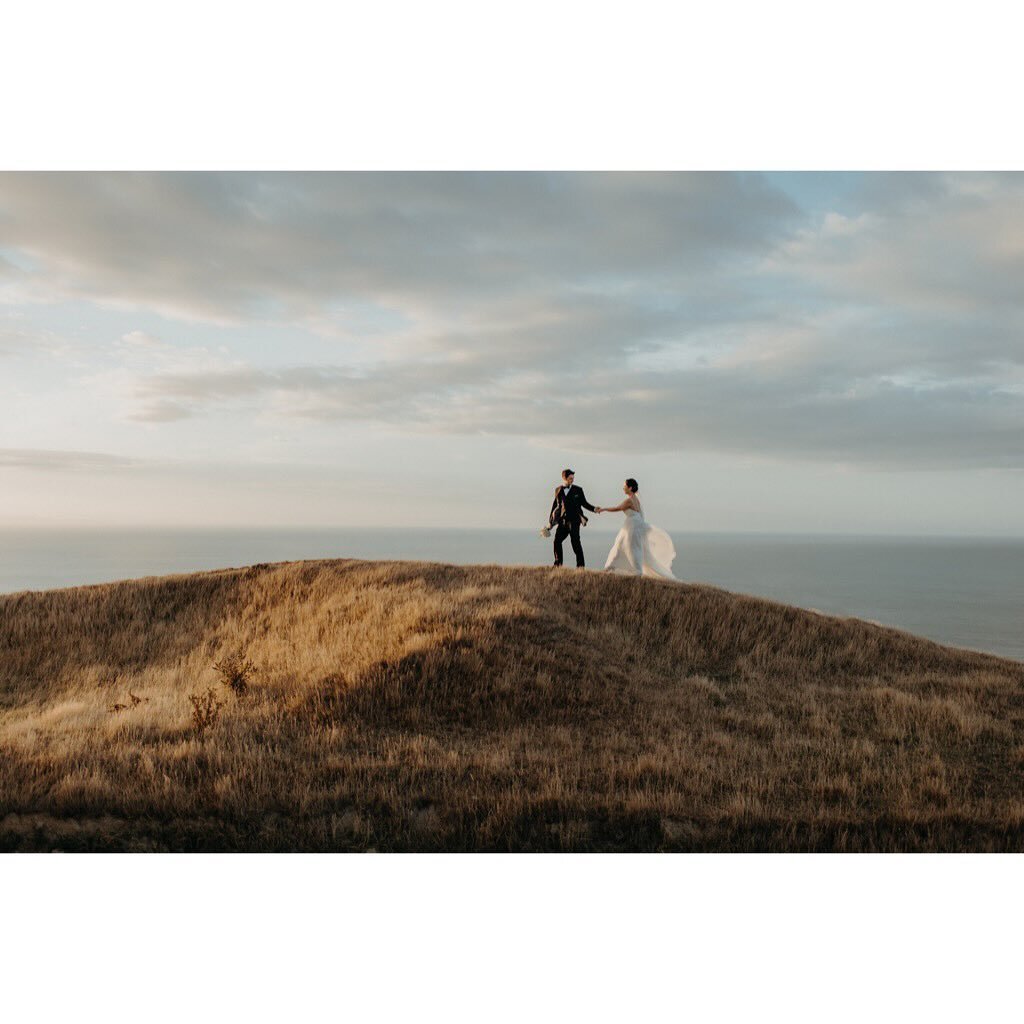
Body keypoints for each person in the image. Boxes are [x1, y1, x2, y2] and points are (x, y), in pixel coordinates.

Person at [597, 478, 677, 579]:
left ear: (630, 488)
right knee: (623, 545)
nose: (623, 488)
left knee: (629, 548)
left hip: (632, 527)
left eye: (624, 486)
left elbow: (617, 508)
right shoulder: (636, 499)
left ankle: (634, 570)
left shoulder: (629, 501)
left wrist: (603, 509)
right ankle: (611, 567)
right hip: (633, 525)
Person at [548, 468, 599, 568]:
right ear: (564, 478)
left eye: (573, 478)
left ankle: (580, 566)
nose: (572, 480)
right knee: (557, 541)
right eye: (570, 478)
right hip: (562, 521)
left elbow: (584, 503)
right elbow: (555, 506)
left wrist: (594, 509)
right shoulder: (558, 490)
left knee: (575, 543)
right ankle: (558, 564)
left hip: (575, 521)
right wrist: (550, 522)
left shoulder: (578, 490)